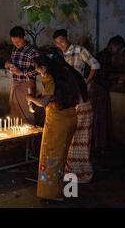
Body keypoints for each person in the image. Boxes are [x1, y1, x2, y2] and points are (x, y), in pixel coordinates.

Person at [27, 54, 87, 201]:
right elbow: (57, 95)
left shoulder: (50, 77)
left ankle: (51, 193)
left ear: (45, 67)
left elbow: (44, 102)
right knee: (60, 157)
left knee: (50, 157)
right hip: (71, 117)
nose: (36, 71)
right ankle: (59, 189)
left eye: (37, 68)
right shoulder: (66, 74)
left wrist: (31, 98)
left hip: (58, 122)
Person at [91, 35, 125, 152]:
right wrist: (118, 76)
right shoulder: (104, 56)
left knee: (101, 118)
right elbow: (103, 75)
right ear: (113, 45)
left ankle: (100, 144)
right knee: (100, 119)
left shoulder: (105, 56)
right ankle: (99, 146)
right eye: (119, 48)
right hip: (99, 89)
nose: (119, 51)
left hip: (100, 89)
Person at [5, 26, 40, 125]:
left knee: (27, 111)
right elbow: (11, 62)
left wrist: (21, 73)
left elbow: (38, 71)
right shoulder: (15, 49)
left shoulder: (33, 52)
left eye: (18, 42)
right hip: (15, 84)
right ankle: (15, 135)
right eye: (13, 42)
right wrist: (7, 64)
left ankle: (29, 136)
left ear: (23, 38)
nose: (15, 44)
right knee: (14, 110)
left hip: (27, 85)